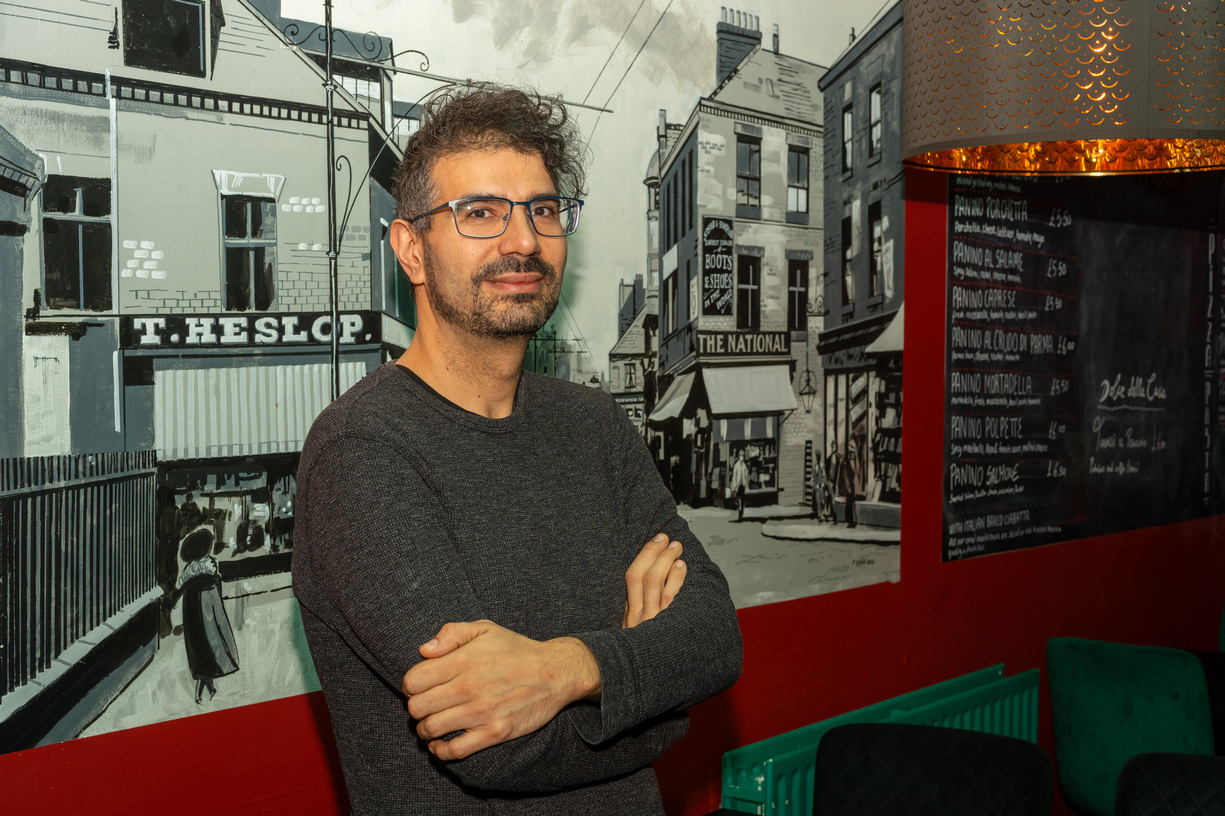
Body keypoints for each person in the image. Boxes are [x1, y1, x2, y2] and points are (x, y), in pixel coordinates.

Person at [291, 84, 743, 815]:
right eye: (479, 213)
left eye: (542, 209)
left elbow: (716, 636)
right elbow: (498, 745)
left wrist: (567, 669)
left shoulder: (594, 425)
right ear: (411, 248)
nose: (524, 241)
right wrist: (653, 698)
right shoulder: (362, 451)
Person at [174, 528, 240, 704]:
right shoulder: (211, 565)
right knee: (213, 642)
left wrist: (179, 622)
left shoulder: (187, 571)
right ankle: (208, 687)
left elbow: (181, 593)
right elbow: (216, 588)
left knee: (198, 647)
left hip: (192, 608)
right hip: (208, 604)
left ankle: (204, 689)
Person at [841, 438, 860, 528]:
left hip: (854, 485)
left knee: (852, 502)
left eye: (853, 452)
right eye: (851, 452)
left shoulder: (855, 462)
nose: (852, 454)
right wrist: (848, 486)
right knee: (849, 502)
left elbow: (858, 472)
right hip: (850, 485)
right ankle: (850, 520)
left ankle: (853, 520)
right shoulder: (848, 462)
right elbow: (846, 476)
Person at [730, 450, 750, 521]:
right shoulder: (736, 465)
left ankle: (741, 513)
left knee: (743, 499)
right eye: (741, 456)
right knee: (738, 499)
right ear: (738, 457)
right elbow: (734, 476)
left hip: (743, 484)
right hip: (738, 485)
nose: (742, 457)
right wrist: (734, 486)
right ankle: (738, 512)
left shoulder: (744, 466)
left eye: (743, 456)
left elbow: (746, 476)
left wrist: (746, 485)